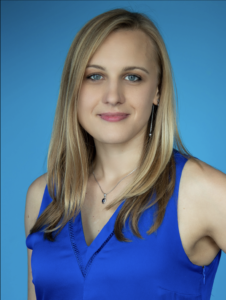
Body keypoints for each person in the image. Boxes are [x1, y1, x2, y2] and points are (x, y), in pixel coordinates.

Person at [24, 8, 226, 300]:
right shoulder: (44, 195)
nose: (113, 96)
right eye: (94, 76)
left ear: (157, 90)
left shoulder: (203, 191)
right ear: (74, 89)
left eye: (132, 77)